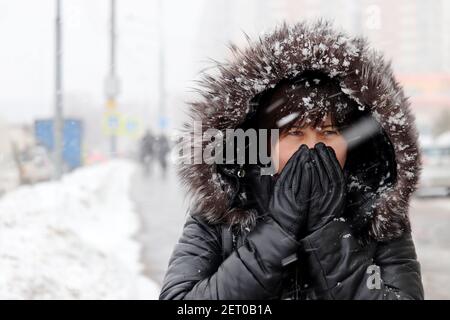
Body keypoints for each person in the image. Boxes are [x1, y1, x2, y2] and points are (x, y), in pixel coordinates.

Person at [159, 20, 424, 300]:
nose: (313, 147)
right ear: (265, 144)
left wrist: (328, 233)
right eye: (295, 133)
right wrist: (276, 232)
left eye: (328, 132)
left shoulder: (375, 214)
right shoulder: (226, 209)